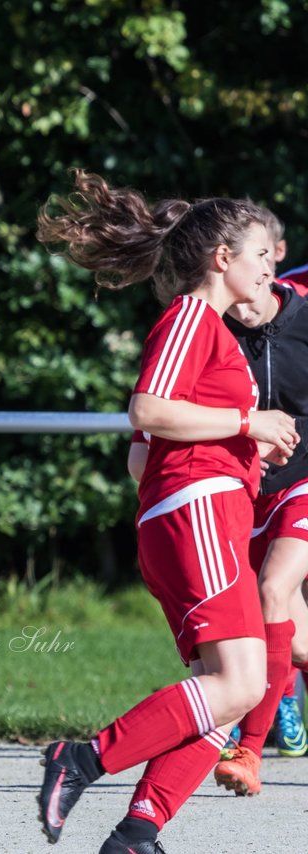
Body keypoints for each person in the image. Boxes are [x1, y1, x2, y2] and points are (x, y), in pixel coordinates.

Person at [34, 169, 298, 853]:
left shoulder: (214, 333)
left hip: (205, 511)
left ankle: (137, 832)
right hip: (199, 513)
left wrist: (241, 447)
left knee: (229, 688)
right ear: (221, 260)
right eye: (260, 255)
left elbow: (143, 456)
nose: (272, 265)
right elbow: (146, 412)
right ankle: (84, 759)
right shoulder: (190, 316)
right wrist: (245, 426)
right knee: (239, 682)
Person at [206, 222, 308, 792]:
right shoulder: (209, 329)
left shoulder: (304, 318)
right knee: (285, 633)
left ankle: (248, 750)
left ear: (267, 268)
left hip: (306, 481)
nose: (239, 310)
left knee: (274, 590)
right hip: (246, 491)